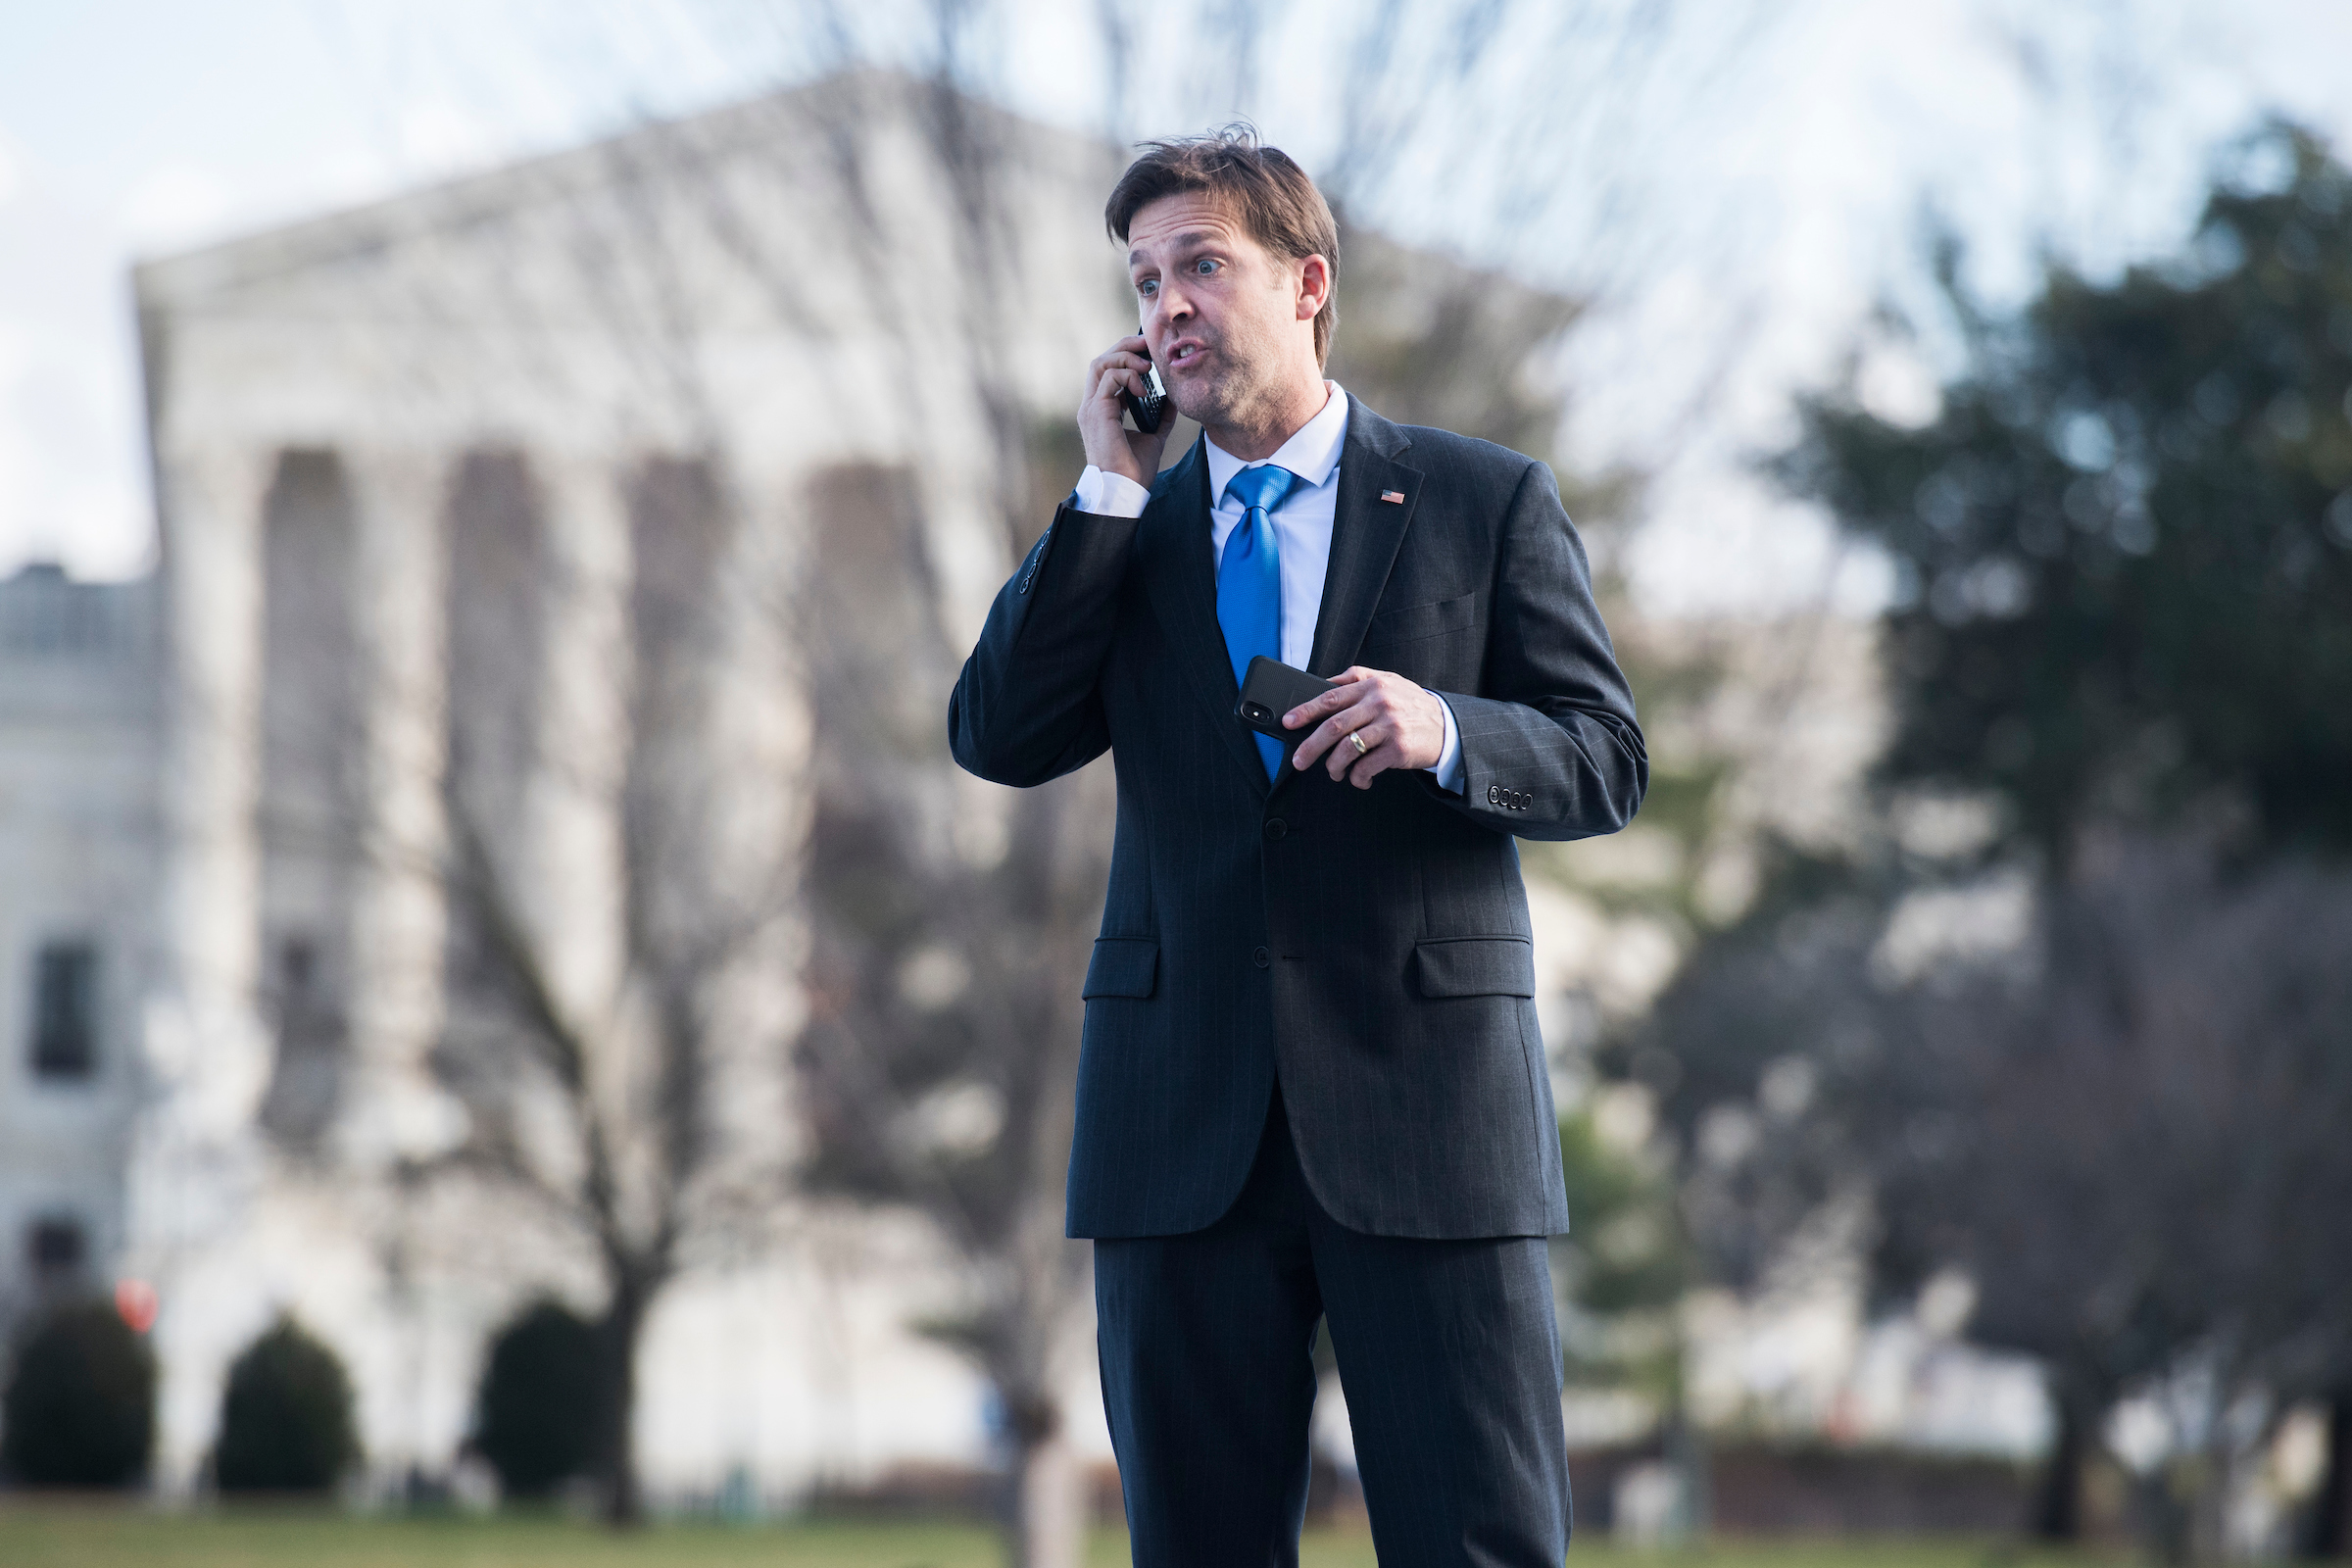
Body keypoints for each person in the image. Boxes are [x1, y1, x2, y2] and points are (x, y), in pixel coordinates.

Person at [948, 126, 1646, 1566]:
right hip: (1176, 1130)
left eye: (1202, 264)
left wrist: (1445, 729)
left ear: (1307, 282)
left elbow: (1607, 758)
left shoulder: (1479, 498)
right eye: (1144, 281)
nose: (1165, 308)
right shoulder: (1124, 525)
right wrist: (1104, 493)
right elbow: (1000, 736)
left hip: (1428, 1122)